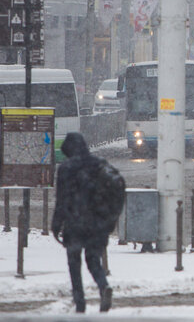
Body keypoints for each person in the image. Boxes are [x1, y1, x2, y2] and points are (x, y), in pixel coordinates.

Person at [52, 133, 124, 313]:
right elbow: (116, 189)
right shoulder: (100, 164)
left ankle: (80, 300)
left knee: (74, 263)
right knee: (93, 261)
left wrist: (56, 224)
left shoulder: (66, 168)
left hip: (74, 223)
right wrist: (109, 220)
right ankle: (103, 285)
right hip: (97, 224)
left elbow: (61, 200)